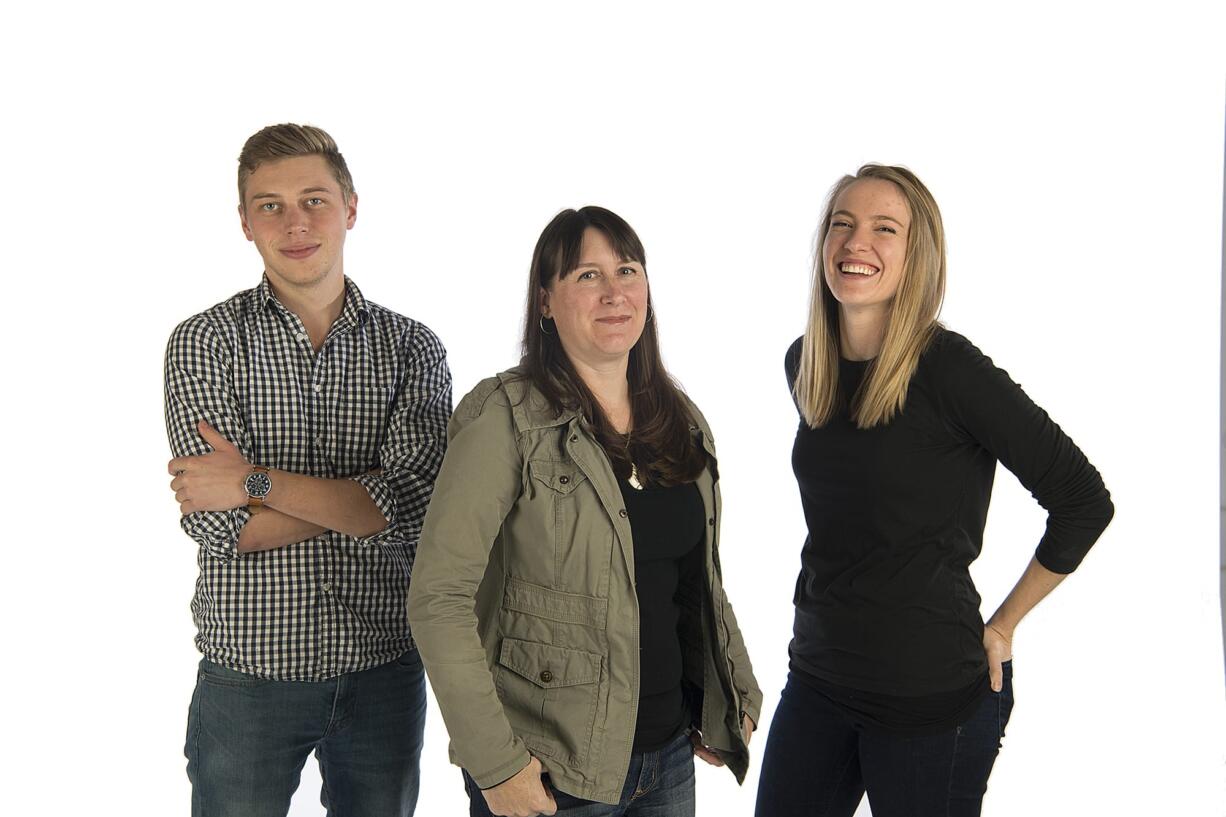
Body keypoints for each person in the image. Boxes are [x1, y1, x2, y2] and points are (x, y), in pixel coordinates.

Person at [754, 165, 1114, 817]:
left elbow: (1083, 498)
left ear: (917, 256)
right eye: (843, 223)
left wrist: (1003, 624)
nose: (856, 241)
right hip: (818, 679)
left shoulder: (950, 370)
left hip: (930, 700)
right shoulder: (806, 364)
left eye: (883, 228)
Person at [407, 206, 761, 816]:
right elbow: (438, 597)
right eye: (586, 276)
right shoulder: (504, 417)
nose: (613, 292)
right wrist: (496, 765)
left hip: (669, 759)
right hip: (551, 773)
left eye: (626, 270)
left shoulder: (681, 423)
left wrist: (733, 689)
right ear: (546, 301)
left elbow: (699, 580)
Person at [164, 123, 451, 817]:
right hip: (250, 676)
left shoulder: (412, 348)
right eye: (270, 205)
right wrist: (360, 502)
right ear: (244, 223)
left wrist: (252, 481)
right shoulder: (203, 343)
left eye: (314, 200)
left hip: (384, 666)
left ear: (351, 207)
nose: (295, 223)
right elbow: (220, 525)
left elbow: (414, 506)